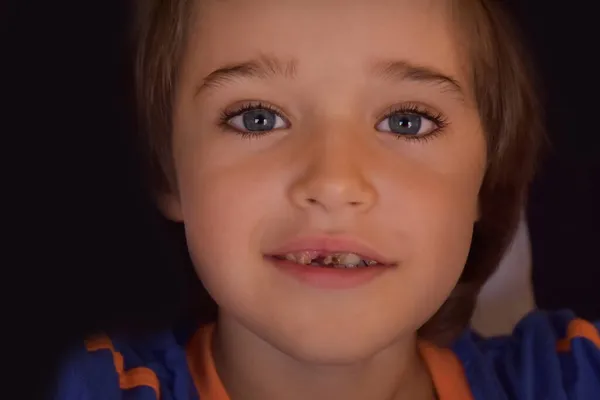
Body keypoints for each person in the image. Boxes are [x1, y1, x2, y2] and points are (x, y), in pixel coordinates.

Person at [52, 0, 600, 399]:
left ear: (485, 180)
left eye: (406, 122)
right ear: (167, 173)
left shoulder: (574, 378)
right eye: (257, 118)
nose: (334, 182)